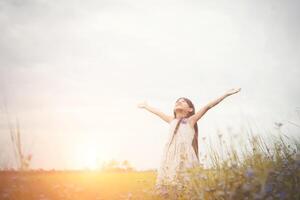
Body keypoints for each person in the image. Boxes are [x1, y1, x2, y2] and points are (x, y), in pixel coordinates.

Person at [137, 88, 241, 195]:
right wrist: (146, 106)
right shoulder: (171, 120)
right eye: (177, 101)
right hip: (170, 157)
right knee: (167, 188)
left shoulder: (191, 121)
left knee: (186, 187)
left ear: (190, 109)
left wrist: (225, 94)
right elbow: (158, 113)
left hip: (185, 157)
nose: (179, 102)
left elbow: (207, 107)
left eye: (183, 101)